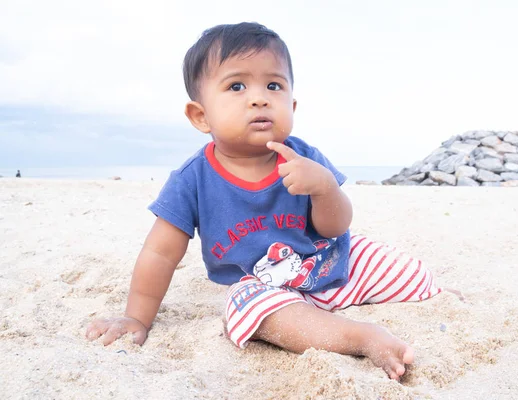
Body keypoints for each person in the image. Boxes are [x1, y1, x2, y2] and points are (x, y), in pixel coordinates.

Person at [86, 22, 456, 380]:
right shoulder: (192, 180)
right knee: (244, 307)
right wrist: (137, 318)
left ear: (292, 104)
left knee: (408, 271)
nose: (259, 97)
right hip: (263, 285)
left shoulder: (303, 157)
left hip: (328, 262)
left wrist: (324, 188)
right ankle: (357, 336)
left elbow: (336, 226)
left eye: (273, 85)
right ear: (201, 116)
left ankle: (421, 294)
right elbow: (160, 254)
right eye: (236, 86)